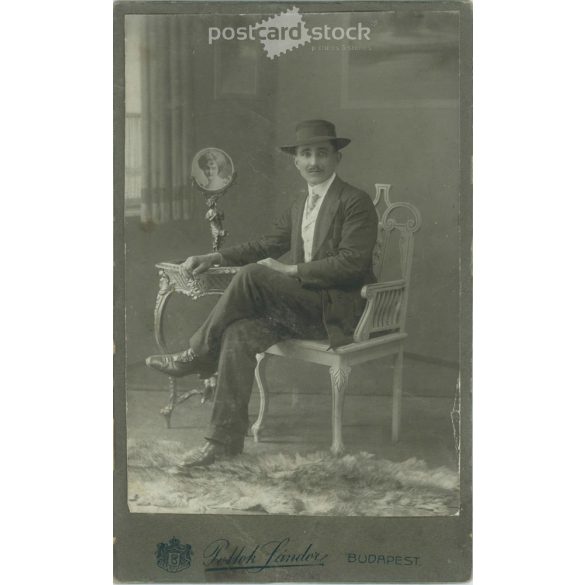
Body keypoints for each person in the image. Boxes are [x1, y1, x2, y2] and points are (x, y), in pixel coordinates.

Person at [146, 119, 379, 467]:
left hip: (334, 311)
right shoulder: (302, 202)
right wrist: (216, 256)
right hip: (298, 307)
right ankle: (222, 442)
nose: (314, 162)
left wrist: (291, 270)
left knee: (254, 275)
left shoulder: (355, 202)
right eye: (306, 154)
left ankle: (196, 354)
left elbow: (353, 264)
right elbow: (269, 243)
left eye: (322, 153)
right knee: (239, 333)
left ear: (337, 158)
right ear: (296, 162)